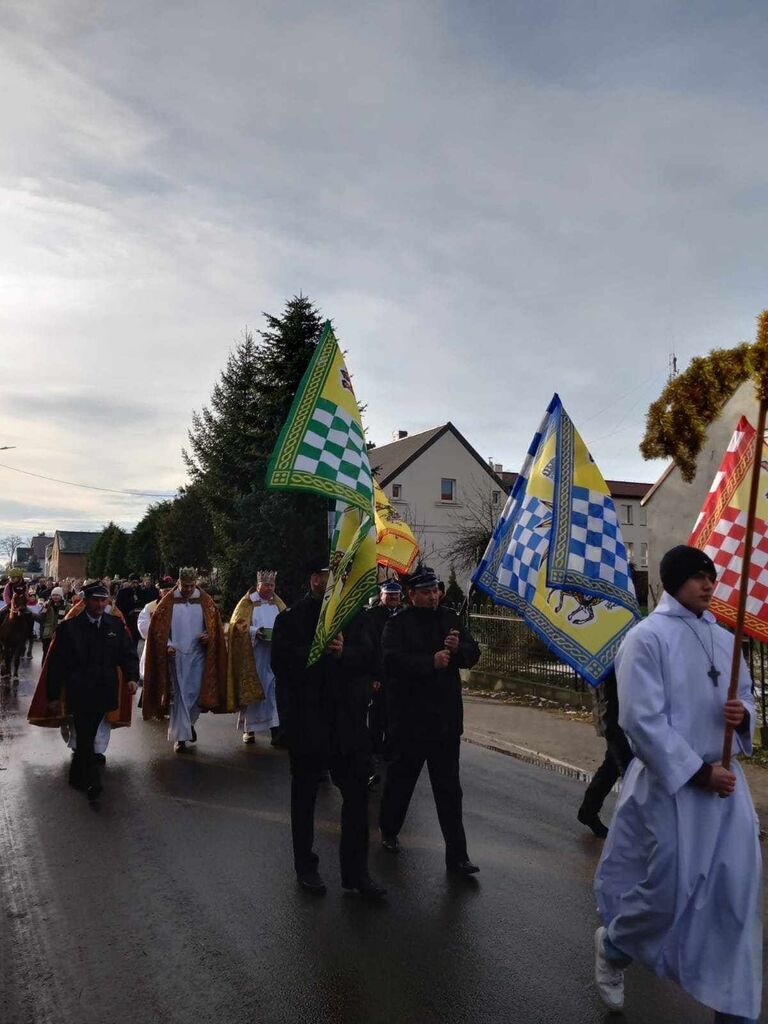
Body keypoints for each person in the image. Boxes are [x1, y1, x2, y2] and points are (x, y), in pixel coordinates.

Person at [593, 545, 762, 1022]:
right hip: (672, 786)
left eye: (711, 576)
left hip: (726, 788)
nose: (709, 584)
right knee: (667, 892)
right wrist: (698, 772)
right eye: (697, 577)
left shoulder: (725, 639)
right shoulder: (646, 638)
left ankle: (734, 1005)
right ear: (673, 582)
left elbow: (747, 695)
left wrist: (742, 714)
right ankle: (616, 945)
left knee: (735, 896)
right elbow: (640, 720)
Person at [271, 557, 386, 900]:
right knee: (305, 798)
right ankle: (306, 867)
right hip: (310, 724)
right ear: (314, 580)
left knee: (356, 798)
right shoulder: (291, 619)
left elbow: (370, 658)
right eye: (328, 575)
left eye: (339, 576)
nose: (335, 581)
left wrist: (343, 653)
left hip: (348, 724)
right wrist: (320, 650)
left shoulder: (357, 618)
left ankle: (356, 874)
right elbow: (282, 664)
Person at [378, 566, 481, 875]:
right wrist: (429, 662)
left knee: (449, 790)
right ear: (412, 595)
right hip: (410, 720)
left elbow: (473, 651)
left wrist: (457, 650)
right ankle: (389, 829)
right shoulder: (399, 624)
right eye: (426, 591)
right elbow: (391, 661)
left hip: (445, 721)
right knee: (401, 781)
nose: (433, 595)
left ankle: (458, 856)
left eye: (436, 590)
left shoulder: (450, 619)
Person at [42, 581, 139, 801]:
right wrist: (53, 695)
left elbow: (127, 653)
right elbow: (57, 665)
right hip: (80, 690)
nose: (99, 604)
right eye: (95, 600)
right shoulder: (70, 628)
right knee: (86, 733)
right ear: (85, 601)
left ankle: (76, 773)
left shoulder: (115, 625)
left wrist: (132, 677)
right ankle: (93, 781)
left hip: (105, 689)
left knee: (87, 734)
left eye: (103, 600)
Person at [142, 567, 228, 752]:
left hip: (198, 655)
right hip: (177, 656)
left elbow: (215, 628)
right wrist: (168, 644)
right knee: (180, 696)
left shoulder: (205, 601)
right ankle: (180, 738)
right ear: (178, 583)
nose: (188, 589)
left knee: (196, 694)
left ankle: (188, 725)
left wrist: (209, 636)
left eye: (191, 585)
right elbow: (159, 630)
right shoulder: (168, 602)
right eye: (185, 586)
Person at [227, 570, 286, 746]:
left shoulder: (278, 603)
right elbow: (236, 625)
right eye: (266, 585)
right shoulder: (247, 603)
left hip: (273, 654)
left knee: (273, 691)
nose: (270, 588)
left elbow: (287, 621)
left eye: (272, 585)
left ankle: (276, 730)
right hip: (254, 655)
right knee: (253, 691)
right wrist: (255, 632)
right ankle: (249, 729)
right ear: (258, 585)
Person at [576, 669, 633, 837]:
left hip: (625, 714)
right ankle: (632, 827)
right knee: (627, 770)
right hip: (614, 717)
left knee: (613, 765)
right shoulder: (606, 661)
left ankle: (588, 810)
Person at [366, 579, 403, 781]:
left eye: (396, 596)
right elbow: (371, 646)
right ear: (381, 595)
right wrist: (373, 675)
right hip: (379, 672)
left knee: (394, 714)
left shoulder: (402, 615)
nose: (393, 599)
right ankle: (374, 749)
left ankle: (391, 748)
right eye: (389, 595)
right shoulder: (372, 616)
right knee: (377, 714)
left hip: (397, 674)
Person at [136, 577, 176, 680]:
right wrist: (166, 643)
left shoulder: (180, 607)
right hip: (156, 650)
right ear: (160, 592)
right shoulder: (150, 608)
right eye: (165, 591)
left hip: (177, 652)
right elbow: (144, 627)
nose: (168, 593)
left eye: (170, 591)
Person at [39, 587, 70, 661]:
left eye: (57, 595)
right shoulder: (47, 605)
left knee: (58, 656)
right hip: (47, 635)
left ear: (61, 596)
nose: (55, 597)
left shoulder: (66, 606)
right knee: (46, 655)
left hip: (60, 635)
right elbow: (41, 617)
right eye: (53, 595)